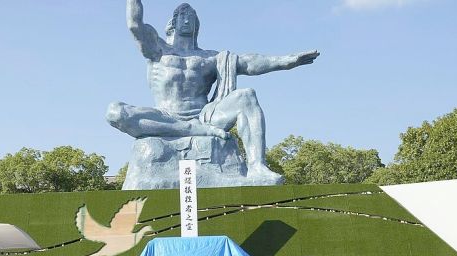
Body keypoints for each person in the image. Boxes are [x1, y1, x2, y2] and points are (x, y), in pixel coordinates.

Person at [108, 0, 319, 183]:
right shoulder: (158, 49)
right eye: (182, 14)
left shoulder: (210, 58)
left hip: (204, 116)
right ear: (173, 22)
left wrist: (286, 61)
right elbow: (134, 24)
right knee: (116, 113)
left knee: (246, 96)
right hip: (165, 115)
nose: (187, 18)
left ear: (197, 25)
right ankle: (189, 130)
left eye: (192, 15)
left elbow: (250, 62)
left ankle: (257, 167)